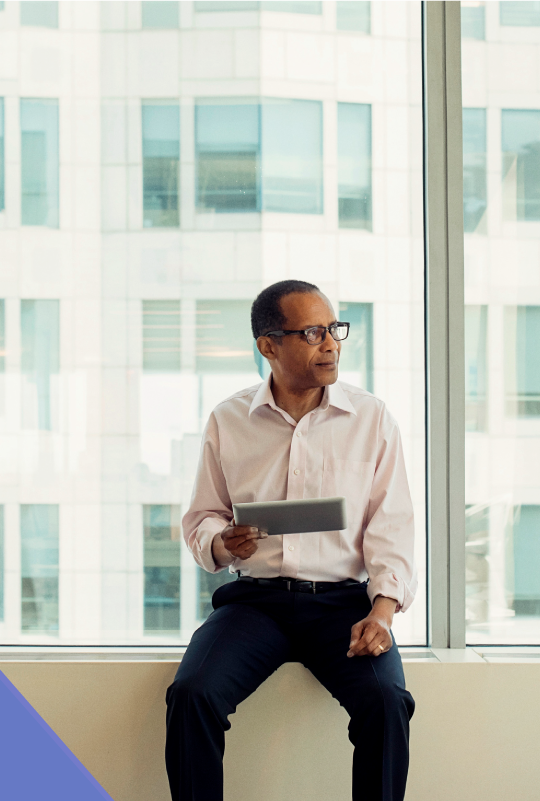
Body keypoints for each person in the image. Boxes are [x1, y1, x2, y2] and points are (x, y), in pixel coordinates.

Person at [165, 279, 417, 801]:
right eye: (312, 332)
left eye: (333, 329)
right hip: (255, 605)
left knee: (388, 702)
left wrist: (382, 613)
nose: (330, 343)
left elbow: (391, 527)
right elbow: (202, 518)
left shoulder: (371, 420)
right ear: (269, 345)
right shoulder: (229, 419)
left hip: (343, 605)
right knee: (191, 695)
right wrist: (221, 542)